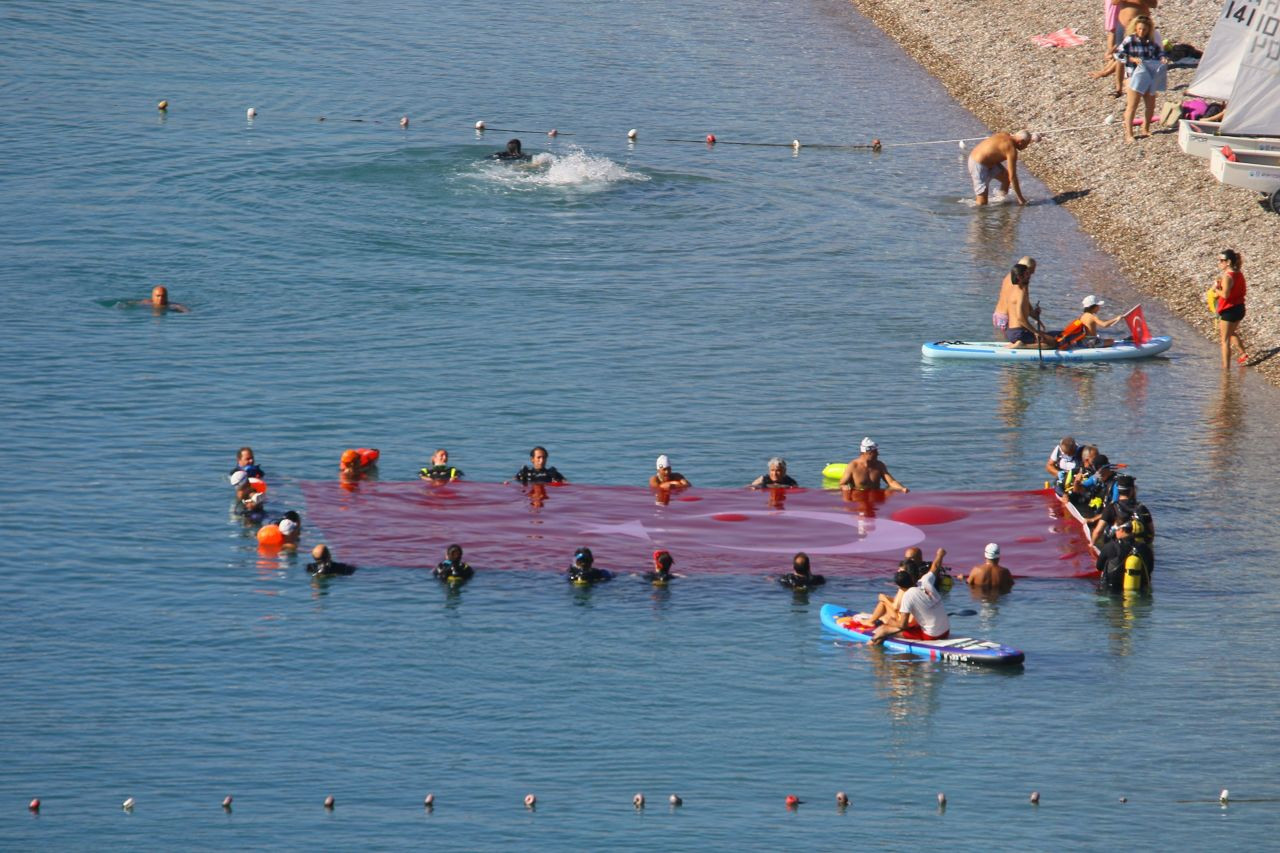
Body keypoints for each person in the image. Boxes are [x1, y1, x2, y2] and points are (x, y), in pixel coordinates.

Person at [870, 548, 950, 644]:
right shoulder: (925, 580)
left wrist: (891, 622)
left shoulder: (907, 596)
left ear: (900, 586)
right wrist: (940, 554)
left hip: (931, 636)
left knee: (883, 630)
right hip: (946, 632)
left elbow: (903, 625)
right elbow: (936, 566)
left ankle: (869, 646)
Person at [1115, 15, 1167, 143]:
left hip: (1149, 75)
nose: (1141, 32)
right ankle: (1129, 133)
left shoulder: (1151, 43)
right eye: (1139, 29)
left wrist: (1162, 58)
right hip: (1133, 75)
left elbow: (1160, 52)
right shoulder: (1130, 40)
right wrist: (1132, 59)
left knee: (1150, 105)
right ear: (1135, 28)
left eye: (1144, 29)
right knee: (1132, 105)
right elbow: (1118, 54)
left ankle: (1145, 128)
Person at [966, 130, 1038, 206]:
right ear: (1021, 142)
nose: (1026, 147)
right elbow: (1013, 176)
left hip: (990, 162)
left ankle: (1000, 201)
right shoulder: (1011, 150)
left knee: (1006, 179)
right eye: (1026, 144)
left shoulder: (1005, 134)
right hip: (977, 164)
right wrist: (1020, 199)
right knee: (982, 203)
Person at [993, 262, 1052, 348]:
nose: (1030, 276)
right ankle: (1023, 345)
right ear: (1019, 277)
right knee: (1052, 342)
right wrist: (1035, 332)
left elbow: (1024, 310)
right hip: (1018, 332)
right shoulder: (1021, 292)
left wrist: (1035, 314)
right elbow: (1020, 318)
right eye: (1027, 274)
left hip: (1011, 332)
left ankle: (1018, 342)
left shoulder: (1014, 290)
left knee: (1047, 336)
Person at [1212, 249, 1248, 368]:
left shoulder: (1228, 276)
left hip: (1229, 311)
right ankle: (1243, 354)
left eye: (1221, 260)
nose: (1219, 263)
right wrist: (1220, 286)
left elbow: (1225, 295)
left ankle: (1226, 370)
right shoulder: (1239, 273)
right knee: (1231, 332)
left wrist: (1215, 289)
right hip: (1240, 308)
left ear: (1228, 262)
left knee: (1224, 340)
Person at [1095, 518, 1154, 591]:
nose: (1115, 532)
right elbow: (1150, 569)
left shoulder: (1110, 546)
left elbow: (1099, 567)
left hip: (1113, 589)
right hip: (1138, 588)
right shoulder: (1145, 548)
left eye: (1115, 529)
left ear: (1121, 530)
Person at [839, 437, 908, 493]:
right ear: (868, 453)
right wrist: (844, 487)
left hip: (876, 499)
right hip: (860, 498)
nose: (878, 454)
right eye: (875, 452)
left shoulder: (879, 465)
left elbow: (891, 482)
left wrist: (902, 488)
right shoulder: (853, 466)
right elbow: (842, 483)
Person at [1057, 296, 1124, 349]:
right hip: (1090, 343)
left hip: (1081, 342)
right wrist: (1117, 318)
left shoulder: (1082, 316)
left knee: (1105, 340)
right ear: (1093, 307)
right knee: (1111, 341)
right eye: (1098, 306)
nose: (1099, 307)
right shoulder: (1093, 316)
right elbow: (1104, 325)